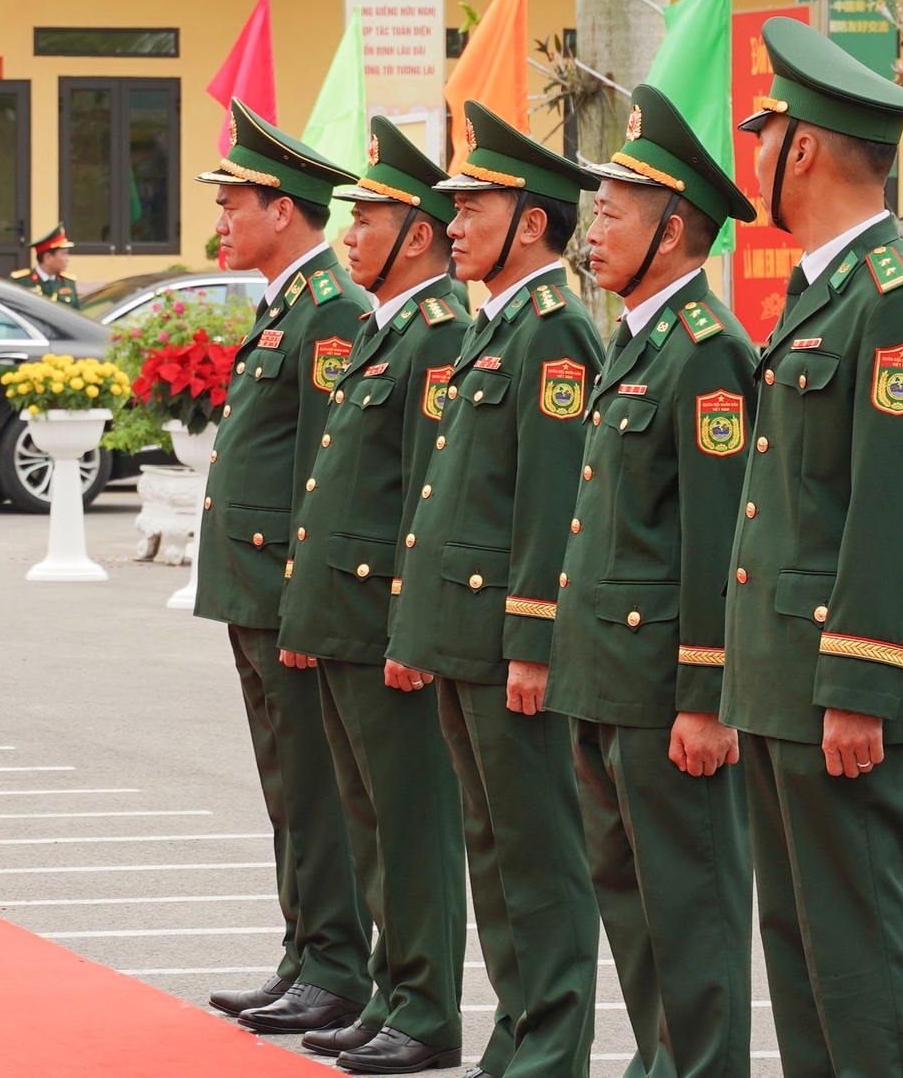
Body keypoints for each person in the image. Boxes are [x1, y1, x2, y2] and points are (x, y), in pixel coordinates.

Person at [723, 16, 903, 1078]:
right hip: (784, 673)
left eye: (760, 133)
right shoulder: (820, 289)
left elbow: (892, 507)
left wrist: (858, 683)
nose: (750, 156)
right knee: (800, 943)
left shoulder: (892, 297)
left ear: (801, 147)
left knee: (853, 944)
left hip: (839, 680)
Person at [388, 101, 603, 1078]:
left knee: (538, 853)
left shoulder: (552, 336)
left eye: (471, 204)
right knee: (491, 850)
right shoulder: (492, 328)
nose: (452, 223)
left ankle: (550, 1044)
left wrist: (529, 636)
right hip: (463, 631)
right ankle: (515, 1034)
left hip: (506, 640)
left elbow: (549, 505)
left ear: (529, 221)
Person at [549, 87, 759, 1078]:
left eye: (612, 212)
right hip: (604, 677)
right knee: (628, 903)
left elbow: (717, 541)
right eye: (594, 210)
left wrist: (705, 696)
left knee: (689, 907)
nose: (591, 229)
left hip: (664, 690)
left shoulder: (707, 355)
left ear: (672, 229)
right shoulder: (635, 341)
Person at [277, 117, 468, 1075]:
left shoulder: (438, 336)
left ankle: (428, 1006)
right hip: (346, 617)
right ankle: (394, 990)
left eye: (371, 216)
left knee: (411, 821)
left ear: (420, 234)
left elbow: (427, 499)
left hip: (386, 621)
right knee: (368, 819)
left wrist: (409, 626)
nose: (348, 235)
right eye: (350, 217)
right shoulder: (387, 329)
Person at [194, 99, 375, 1037]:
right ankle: (305, 950)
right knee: (285, 782)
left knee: (314, 785)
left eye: (233, 202)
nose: (219, 219)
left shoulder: (331, 316)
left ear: (285, 209)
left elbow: (323, 479)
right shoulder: (286, 311)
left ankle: (338, 963)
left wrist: (310, 604)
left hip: (289, 595)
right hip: (255, 593)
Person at [11, 225, 80, 308]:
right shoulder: (21, 281)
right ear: (48, 258)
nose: (68, 259)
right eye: (64, 254)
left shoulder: (68, 282)